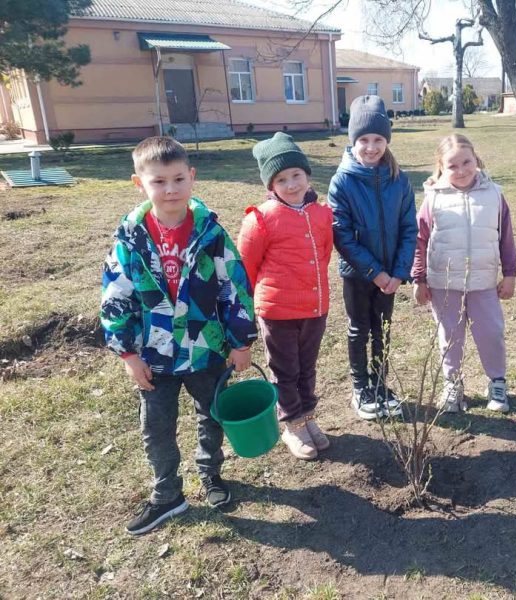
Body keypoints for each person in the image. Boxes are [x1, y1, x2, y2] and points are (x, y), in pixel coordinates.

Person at [100, 137, 257, 535]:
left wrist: (241, 341)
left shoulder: (211, 233)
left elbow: (234, 287)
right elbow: (116, 294)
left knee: (212, 415)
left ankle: (211, 475)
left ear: (192, 177)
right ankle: (168, 494)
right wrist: (127, 354)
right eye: (158, 182)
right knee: (156, 427)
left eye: (178, 179)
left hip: (207, 351)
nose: (170, 190)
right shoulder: (130, 238)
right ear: (140, 184)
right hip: (154, 356)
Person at [237, 132, 333, 461]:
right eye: (281, 179)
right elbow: (245, 269)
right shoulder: (260, 219)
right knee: (285, 370)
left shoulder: (321, 214)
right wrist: (246, 313)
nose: (291, 184)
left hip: (315, 308)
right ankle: (292, 424)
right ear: (270, 185)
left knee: (307, 369)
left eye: (296, 175)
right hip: (277, 312)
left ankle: (307, 417)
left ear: (307, 175)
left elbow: (323, 255)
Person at [411, 134, 516, 413]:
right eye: (452, 165)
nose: (461, 170)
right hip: (444, 284)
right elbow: (419, 239)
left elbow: (505, 236)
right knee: (450, 336)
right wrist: (419, 278)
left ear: (476, 159)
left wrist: (510, 274)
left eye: (466, 162)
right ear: (441, 167)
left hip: (483, 282)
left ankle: (497, 382)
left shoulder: (494, 194)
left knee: (491, 333)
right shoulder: (433, 198)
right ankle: (452, 384)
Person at [327, 95, 418, 420]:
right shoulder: (343, 181)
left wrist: (398, 272)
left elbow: (410, 228)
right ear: (353, 140)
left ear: (386, 140)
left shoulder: (400, 180)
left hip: (391, 276)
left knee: (383, 328)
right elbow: (342, 235)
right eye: (363, 139)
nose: (370, 146)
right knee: (359, 328)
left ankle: (380, 384)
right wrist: (374, 272)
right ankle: (360, 386)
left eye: (378, 139)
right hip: (358, 273)